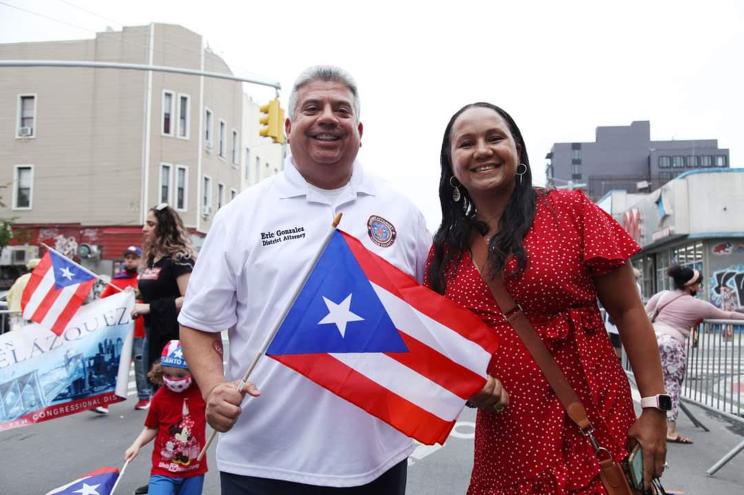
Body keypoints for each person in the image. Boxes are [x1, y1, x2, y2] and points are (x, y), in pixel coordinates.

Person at [178, 66, 449, 494]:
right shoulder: (242, 215)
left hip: (376, 460)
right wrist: (215, 389)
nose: (327, 117)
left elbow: (433, 311)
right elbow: (197, 322)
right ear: (287, 127)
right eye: (312, 108)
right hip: (263, 462)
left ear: (358, 130)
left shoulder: (400, 213)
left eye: (341, 110)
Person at [426, 102, 668, 494]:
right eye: (465, 143)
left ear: (517, 150)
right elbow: (444, 346)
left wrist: (655, 410)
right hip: (508, 440)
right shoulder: (445, 252)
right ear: (451, 165)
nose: (482, 150)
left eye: (495, 137)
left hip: (593, 424)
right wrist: (468, 383)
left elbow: (628, 311)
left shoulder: (569, 211)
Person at [646, 264, 744, 444]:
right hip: (672, 345)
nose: (699, 287)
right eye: (698, 284)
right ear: (690, 285)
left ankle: (652, 424)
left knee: (653, 385)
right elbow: (727, 316)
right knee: (672, 386)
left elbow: (645, 313)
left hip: (651, 342)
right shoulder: (696, 304)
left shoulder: (661, 296)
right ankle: (670, 429)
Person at [125, 340, 207, 495]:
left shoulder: (202, 393)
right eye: (168, 374)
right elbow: (152, 427)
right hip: (163, 469)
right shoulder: (159, 398)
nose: (174, 379)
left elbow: (216, 415)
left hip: (194, 470)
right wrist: (136, 445)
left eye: (180, 375)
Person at [134, 204, 195, 376]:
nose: (144, 229)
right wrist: (135, 296)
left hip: (174, 335)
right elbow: (159, 290)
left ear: (165, 228)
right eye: (145, 223)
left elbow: (189, 298)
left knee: (169, 388)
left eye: (151, 224)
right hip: (151, 332)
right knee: (154, 385)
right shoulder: (152, 259)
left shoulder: (180, 258)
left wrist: (149, 308)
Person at [92, 246, 152, 414]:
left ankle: (144, 397)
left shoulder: (145, 280)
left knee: (141, 367)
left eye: (134, 257)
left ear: (141, 260)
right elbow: (103, 303)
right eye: (127, 257)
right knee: (112, 366)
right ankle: (105, 401)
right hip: (119, 333)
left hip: (140, 331)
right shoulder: (116, 281)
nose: (130, 261)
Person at [6, 257, 40, 331]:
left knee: (16, 339)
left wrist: (13, 308)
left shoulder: (21, 279)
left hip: (15, 314)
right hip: (30, 317)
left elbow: (9, 296)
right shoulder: (38, 280)